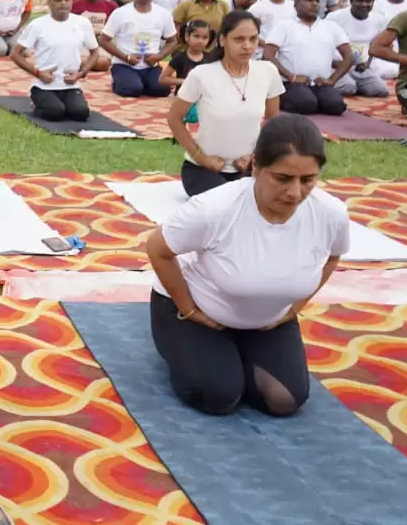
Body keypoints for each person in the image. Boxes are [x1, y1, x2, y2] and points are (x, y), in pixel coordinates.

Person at [145, 115, 347, 417]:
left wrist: (293, 309)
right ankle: (190, 346)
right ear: (255, 166)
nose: (295, 192)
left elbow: (333, 257)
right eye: (282, 178)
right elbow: (157, 248)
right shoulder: (214, 209)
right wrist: (188, 309)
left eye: (308, 180)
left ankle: (235, 352)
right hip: (193, 312)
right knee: (218, 396)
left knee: (284, 400)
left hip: (267, 321)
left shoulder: (331, 213)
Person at [167, 11, 284, 196]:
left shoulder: (267, 71)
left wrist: (255, 156)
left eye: (253, 39)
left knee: (273, 200)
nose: (247, 46)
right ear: (222, 40)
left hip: (249, 167)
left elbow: (272, 120)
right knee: (227, 204)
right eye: (239, 39)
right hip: (203, 169)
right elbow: (174, 119)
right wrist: (202, 159)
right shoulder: (202, 74)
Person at [12, 0, 98, 122]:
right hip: (44, 85)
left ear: (72, 0)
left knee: (81, 113)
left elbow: (95, 52)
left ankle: (65, 103)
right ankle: (36, 105)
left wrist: (81, 74)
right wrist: (38, 74)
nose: (63, 3)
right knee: (55, 113)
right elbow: (15, 54)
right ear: (49, 2)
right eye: (58, 0)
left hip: (70, 84)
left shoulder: (82, 23)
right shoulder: (38, 25)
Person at [262, 0, 353, 116]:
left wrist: (332, 80)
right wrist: (291, 76)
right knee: (306, 105)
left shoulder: (331, 26)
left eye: (317, 1)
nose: (314, 4)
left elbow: (349, 57)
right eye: (309, 0)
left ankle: (314, 99)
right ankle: (282, 98)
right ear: (296, 5)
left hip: (320, 84)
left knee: (336, 106)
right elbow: (268, 55)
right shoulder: (284, 26)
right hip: (291, 83)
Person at [99, 0, 177, 97]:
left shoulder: (163, 14)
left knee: (162, 90)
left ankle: (143, 82)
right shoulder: (120, 13)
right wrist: (126, 57)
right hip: (124, 64)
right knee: (132, 89)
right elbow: (104, 40)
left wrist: (158, 57)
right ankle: (124, 82)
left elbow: (172, 41)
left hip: (150, 65)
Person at [330, 0, 394, 98]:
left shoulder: (379, 20)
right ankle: (349, 84)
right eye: (359, 1)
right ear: (351, 1)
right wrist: (336, 63)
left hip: (361, 67)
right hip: (336, 66)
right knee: (348, 87)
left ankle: (356, 85)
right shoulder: (335, 17)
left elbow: (380, 46)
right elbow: (322, 45)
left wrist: (367, 63)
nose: (364, 4)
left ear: (373, 2)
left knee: (380, 90)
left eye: (368, 1)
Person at [160, 19, 219, 106]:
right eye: (196, 36)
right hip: (183, 98)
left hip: (204, 98)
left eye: (205, 38)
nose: (200, 41)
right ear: (187, 36)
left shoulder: (210, 59)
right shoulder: (179, 58)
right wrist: (184, 81)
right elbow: (162, 79)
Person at [72, 0, 116, 72]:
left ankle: (86, 65)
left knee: (103, 64)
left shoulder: (111, 6)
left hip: (100, 44)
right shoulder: (75, 5)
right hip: (81, 44)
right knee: (80, 61)